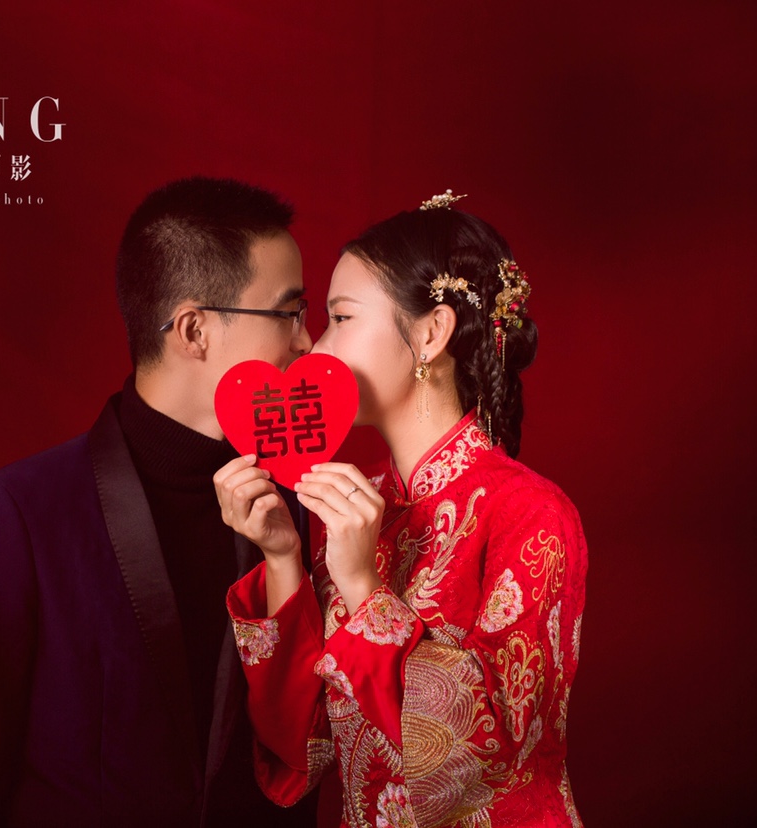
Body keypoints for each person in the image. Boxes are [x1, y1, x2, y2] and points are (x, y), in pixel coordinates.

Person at [0, 176, 319, 827]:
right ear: (194, 330)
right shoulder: (11, 514)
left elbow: (300, 757)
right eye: (289, 313)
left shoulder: (291, 510)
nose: (306, 341)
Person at [214, 193, 588, 827]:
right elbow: (302, 749)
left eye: (340, 317)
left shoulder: (532, 515)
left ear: (430, 333)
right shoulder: (360, 508)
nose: (314, 348)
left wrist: (364, 591)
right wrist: (282, 559)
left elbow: (484, 764)